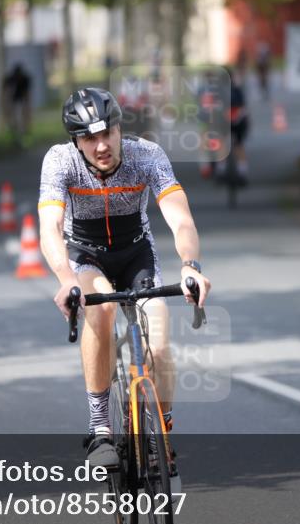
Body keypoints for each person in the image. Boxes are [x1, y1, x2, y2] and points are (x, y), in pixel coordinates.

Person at [37, 88, 211, 476]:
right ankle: (100, 427)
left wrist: (190, 265)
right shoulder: (60, 162)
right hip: (86, 255)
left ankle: (160, 433)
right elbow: (49, 228)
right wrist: (66, 279)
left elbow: (180, 218)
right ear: (75, 141)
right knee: (100, 309)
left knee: (160, 342)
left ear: (119, 129)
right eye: (89, 138)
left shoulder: (146, 155)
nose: (101, 145)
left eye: (107, 133)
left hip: (136, 253)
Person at [2, 63, 32, 145]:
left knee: (22, 119)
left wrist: (27, 106)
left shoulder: (24, 79)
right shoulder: (11, 79)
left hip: (21, 101)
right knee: (14, 120)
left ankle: (22, 135)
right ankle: (16, 136)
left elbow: (27, 94)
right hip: (13, 101)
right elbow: (6, 92)